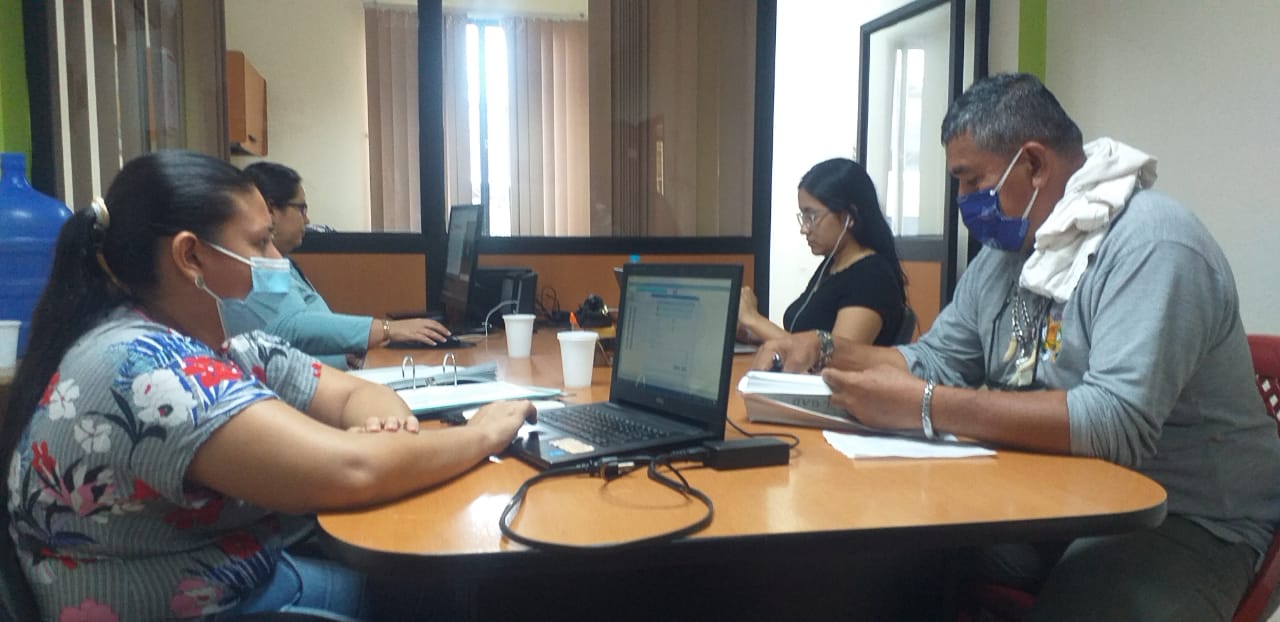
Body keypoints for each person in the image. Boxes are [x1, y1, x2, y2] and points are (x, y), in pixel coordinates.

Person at [755, 73, 1280, 620]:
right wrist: (824, 348)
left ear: (1033, 164)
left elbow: (1114, 424)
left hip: (1186, 517)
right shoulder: (1006, 255)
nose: (963, 200)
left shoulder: (1152, 244)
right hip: (1061, 492)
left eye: (970, 179)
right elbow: (937, 360)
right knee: (889, 556)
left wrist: (926, 404)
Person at [1, 151, 533, 620]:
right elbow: (353, 470)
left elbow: (353, 393)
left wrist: (385, 428)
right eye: (260, 243)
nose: (278, 262)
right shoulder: (143, 368)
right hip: (203, 606)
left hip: (244, 576)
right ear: (190, 256)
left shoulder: (218, 344)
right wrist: (483, 433)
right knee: (449, 593)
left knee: (431, 585)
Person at [241, 161, 451, 369]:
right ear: (271, 210)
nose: (307, 220)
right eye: (301, 209)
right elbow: (290, 328)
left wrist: (345, 346)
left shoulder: (279, 262)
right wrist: (387, 329)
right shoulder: (261, 266)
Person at [737, 158, 908, 348]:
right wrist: (751, 333)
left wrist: (753, 319)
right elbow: (800, 339)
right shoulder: (832, 265)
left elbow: (836, 355)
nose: (804, 229)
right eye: (803, 217)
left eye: (812, 216)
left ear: (848, 217)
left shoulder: (872, 277)